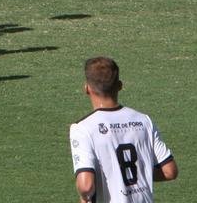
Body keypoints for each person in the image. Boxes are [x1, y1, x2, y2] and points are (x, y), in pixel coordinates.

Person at [70, 57, 177, 203]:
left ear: (87, 88)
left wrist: (84, 198)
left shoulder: (83, 128)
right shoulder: (144, 120)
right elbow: (170, 171)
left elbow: (86, 186)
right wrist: (138, 173)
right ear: (119, 85)